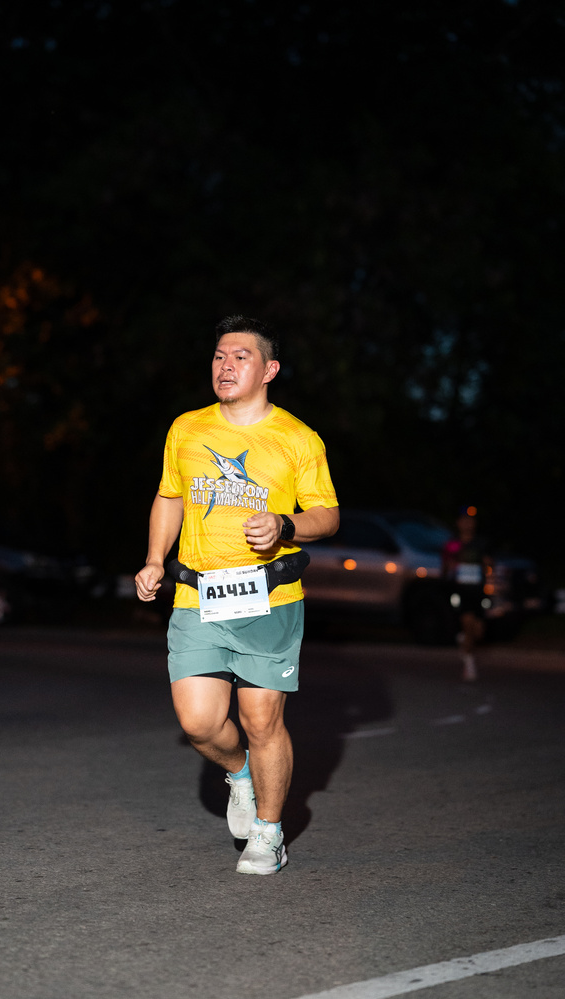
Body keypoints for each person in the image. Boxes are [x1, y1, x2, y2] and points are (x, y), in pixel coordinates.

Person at [134, 315, 339, 875]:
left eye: (241, 357)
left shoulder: (297, 439)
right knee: (199, 723)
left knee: (261, 719)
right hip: (198, 595)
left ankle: (269, 833)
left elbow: (327, 514)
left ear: (269, 370)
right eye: (219, 356)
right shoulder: (187, 428)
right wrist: (154, 559)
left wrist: (285, 525)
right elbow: (170, 496)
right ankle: (240, 775)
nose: (226, 366)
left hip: (269, 599)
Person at [442, 509, 492, 682]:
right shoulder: (453, 545)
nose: (467, 524)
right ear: (458, 523)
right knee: (468, 623)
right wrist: (450, 567)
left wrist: (488, 566)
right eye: (464, 520)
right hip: (461, 592)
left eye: (470, 520)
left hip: (478, 591)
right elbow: (445, 570)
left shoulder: (481, 544)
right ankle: (469, 665)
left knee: (478, 632)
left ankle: (464, 639)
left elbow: (490, 565)